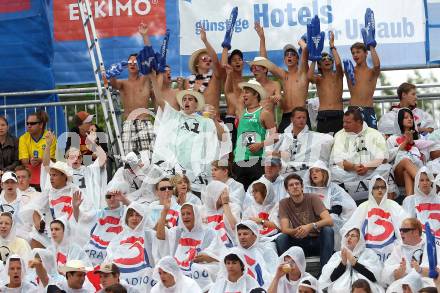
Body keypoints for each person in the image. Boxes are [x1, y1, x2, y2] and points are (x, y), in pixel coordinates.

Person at [151, 70, 226, 194]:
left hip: (197, 175)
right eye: (184, 99)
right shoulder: (174, 116)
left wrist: (214, 121)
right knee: (176, 200)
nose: (186, 101)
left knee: (194, 204)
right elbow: (159, 100)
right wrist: (152, 77)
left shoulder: (204, 121)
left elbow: (223, 137)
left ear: (196, 104)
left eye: (190, 99)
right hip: (176, 172)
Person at [107, 23, 155, 155]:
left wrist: (145, 35)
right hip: (128, 123)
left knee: (149, 159)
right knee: (128, 160)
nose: (133, 64)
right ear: (127, 65)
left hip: (144, 122)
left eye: (136, 62)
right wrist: (112, 74)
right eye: (130, 62)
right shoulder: (123, 83)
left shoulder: (145, 79)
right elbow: (113, 84)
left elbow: (150, 59)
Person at [155, 203, 225, 291]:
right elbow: (160, 236)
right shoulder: (178, 232)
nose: (185, 216)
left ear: (196, 215)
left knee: (204, 270)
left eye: (188, 213)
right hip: (178, 269)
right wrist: (165, 211)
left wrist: (209, 257)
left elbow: (221, 253)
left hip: (199, 267)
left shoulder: (208, 232)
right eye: (183, 214)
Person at [254, 22, 309, 132]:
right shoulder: (283, 75)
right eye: (287, 54)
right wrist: (262, 38)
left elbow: (305, 51)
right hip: (286, 115)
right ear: (284, 60)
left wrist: (301, 42)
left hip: (301, 115)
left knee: (303, 148)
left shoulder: (302, 73)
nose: (289, 56)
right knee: (281, 147)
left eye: (292, 54)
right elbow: (264, 62)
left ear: (297, 59)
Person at [343, 175, 408, 264]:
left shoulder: (394, 205)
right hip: (366, 249)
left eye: (382, 187)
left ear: (386, 189)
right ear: (371, 190)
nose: (380, 190)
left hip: (391, 249)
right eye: (376, 187)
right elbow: (350, 228)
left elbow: (405, 226)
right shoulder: (363, 206)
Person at [330, 108, 391, 202]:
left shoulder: (375, 134)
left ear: (359, 122)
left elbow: (383, 157)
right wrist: (354, 167)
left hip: (371, 171)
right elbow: (338, 160)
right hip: (349, 172)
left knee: (386, 168)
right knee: (334, 171)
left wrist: (367, 166)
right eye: (344, 122)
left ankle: (389, 204)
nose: (344, 125)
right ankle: (340, 203)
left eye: (348, 122)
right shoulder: (339, 134)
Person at [275, 173, 334, 267]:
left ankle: (325, 271)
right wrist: (298, 231)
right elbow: (285, 229)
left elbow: (329, 221)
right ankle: (290, 270)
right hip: (298, 242)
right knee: (281, 238)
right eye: (291, 185)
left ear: (302, 186)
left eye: (297, 184)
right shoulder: (284, 203)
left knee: (328, 230)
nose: (295, 187)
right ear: (287, 190)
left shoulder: (313, 198)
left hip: (317, 240)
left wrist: (310, 226)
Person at [229, 79, 276, 189]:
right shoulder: (241, 111)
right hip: (239, 160)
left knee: (257, 194)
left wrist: (260, 144)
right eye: (243, 92)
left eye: (247, 92)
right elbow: (229, 93)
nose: (243, 95)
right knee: (239, 196)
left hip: (257, 160)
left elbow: (275, 137)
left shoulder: (264, 113)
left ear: (256, 93)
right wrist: (229, 75)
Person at [21, 161, 80, 248]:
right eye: (50, 175)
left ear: (64, 176)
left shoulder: (75, 191)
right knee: (35, 236)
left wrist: (76, 208)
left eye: (54, 175)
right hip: (50, 230)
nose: (51, 178)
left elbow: (83, 216)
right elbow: (35, 210)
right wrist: (38, 224)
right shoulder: (48, 192)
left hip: (69, 232)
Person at [44, 130, 107, 209]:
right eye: (72, 157)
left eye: (78, 157)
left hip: (87, 208)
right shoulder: (61, 170)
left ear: (81, 160)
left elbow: (103, 159)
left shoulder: (88, 170)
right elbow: (46, 164)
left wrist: (95, 144)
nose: (76, 159)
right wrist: (48, 145)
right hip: (67, 208)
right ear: (66, 159)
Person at [303, 160, 356, 249]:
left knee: (333, 218)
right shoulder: (306, 189)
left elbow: (338, 209)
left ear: (324, 173)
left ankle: (334, 250)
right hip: (309, 218)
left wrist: (322, 214)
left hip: (328, 218)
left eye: (317, 171)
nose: (314, 174)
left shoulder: (334, 188)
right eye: (312, 172)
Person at [267, 107, 333, 178]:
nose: (302, 120)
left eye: (304, 118)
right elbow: (267, 151)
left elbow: (329, 139)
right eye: (299, 117)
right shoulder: (282, 137)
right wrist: (279, 154)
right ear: (292, 119)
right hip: (285, 172)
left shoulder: (314, 136)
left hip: (304, 170)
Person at [104, 202, 156, 291]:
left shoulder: (149, 234)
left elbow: (160, 246)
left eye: (137, 215)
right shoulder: (119, 237)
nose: (134, 218)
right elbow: (109, 257)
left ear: (142, 219)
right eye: (131, 215)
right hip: (121, 279)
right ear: (126, 218)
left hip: (144, 280)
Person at [387, 109, 440, 196]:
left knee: (406, 172)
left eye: (411, 117)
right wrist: (404, 144)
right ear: (400, 120)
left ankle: (410, 203)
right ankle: (428, 186)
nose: (410, 119)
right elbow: (387, 157)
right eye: (406, 117)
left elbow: (425, 156)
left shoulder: (419, 138)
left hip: (414, 169)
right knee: (405, 160)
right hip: (398, 174)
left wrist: (415, 145)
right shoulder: (392, 139)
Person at [319, 227, 384, 293]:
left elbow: (373, 277)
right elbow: (332, 278)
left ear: (360, 239)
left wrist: (354, 262)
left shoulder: (368, 253)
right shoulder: (338, 255)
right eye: (347, 235)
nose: (349, 237)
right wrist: (343, 263)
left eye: (353, 236)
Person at [79, 183, 130, 266]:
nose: (112, 199)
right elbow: (81, 218)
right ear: (105, 199)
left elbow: (140, 213)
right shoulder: (99, 213)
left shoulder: (126, 211)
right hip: (95, 254)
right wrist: (76, 206)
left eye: (115, 196)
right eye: (108, 196)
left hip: (116, 254)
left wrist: (124, 200)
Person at [308, 32, 344, 134]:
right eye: (323, 59)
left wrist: (332, 47)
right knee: (324, 148)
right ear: (319, 65)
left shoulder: (338, 76)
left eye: (329, 59)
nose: (327, 60)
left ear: (332, 63)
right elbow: (309, 77)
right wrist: (315, 58)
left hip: (338, 115)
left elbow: (338, 64)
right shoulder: (319, 79)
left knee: (340, 147)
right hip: (323, 115)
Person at [383, 218, 434, 290]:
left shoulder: (430, 245)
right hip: (404, 283)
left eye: (404, 230)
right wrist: (399, 272)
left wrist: (420, 270)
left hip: (426, 282)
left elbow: (436, 271)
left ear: (416, 232)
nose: (401, 233)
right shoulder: (398, 249)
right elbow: (387, 274)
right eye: (400, 230)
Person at [346, 38, 381, 129]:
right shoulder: (350, 70)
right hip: (353, 109)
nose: (355, 55)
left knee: (372, 139)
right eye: (353, 53)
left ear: (366, 53)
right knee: (352, 139)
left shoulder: (371, 72)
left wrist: (371, 46)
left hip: (368, 109)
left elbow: (377, 65)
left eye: (358, 52)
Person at [186, 28, 223, 112]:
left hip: (213, 120)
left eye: (210, 59)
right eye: (204, 58)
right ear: (197, 63)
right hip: (196, 121)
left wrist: (205, 41)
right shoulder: (189, 81)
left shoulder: (215, 77)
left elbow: (216, 61)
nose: (208, 60)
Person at [234, 220, 278, 288]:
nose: (242, 237)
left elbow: (273, 275)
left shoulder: (266, 251)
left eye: (245, 234)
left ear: (254, 235)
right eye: (239, 234)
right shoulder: (234, 252)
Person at [18, 110, 56, 189]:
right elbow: (24, 160)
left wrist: (40, 160)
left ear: (41, 125)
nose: (29, 126)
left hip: (46, 175)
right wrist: (31, 161)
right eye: (27, 123)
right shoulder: (23, 138)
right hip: (30, 176)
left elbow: (52, 160)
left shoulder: (50, 137)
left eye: (32, 123)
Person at [202, 180, 240, 247]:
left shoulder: (233, 207)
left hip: (228, 244)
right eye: (222, 193)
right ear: (213, 194)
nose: (225, 195)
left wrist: (225, 204)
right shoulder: (202, 210)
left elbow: (234, 227)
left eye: (226, 192)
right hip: (207, 244)